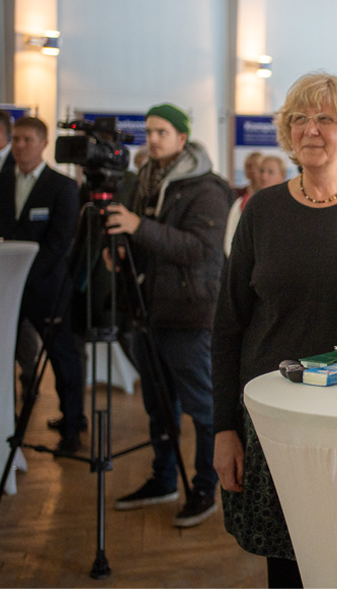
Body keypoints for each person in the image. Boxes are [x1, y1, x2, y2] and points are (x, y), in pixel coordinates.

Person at [212, 73, 337, 588]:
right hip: (275, 418)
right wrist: (223, 428)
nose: (311, 129)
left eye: (326, 118)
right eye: (300, 118)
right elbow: (229, 324)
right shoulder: (262, 210)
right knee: (287, 564)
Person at [106, 103, 231, 528]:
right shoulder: (145, 181)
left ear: (183, 137)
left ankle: (204, 488)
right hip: (147, 310)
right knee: (158, 407)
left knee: (202, 408)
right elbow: (149, 239)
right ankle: (163, 480)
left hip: (190, 313)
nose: (153, 139)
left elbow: (198, 248)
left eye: (162, 132)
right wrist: (121, 250)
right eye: (148, 131)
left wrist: (137, 227)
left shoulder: (208, 187)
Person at [0, 117, 83, 452]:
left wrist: (24, 273)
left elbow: (59, 244)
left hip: (48, 288)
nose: (20, 145)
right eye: (15, 139)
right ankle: (3, 424)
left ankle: (71, 427)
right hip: (3, 290)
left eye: (27, 139)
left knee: (63, 359)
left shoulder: (63, 187)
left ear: (43, 144)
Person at [225, 151, 265, 255]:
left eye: (256, 166)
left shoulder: (269, 197)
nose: (252, 170)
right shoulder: (237, 194)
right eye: (248, 166)